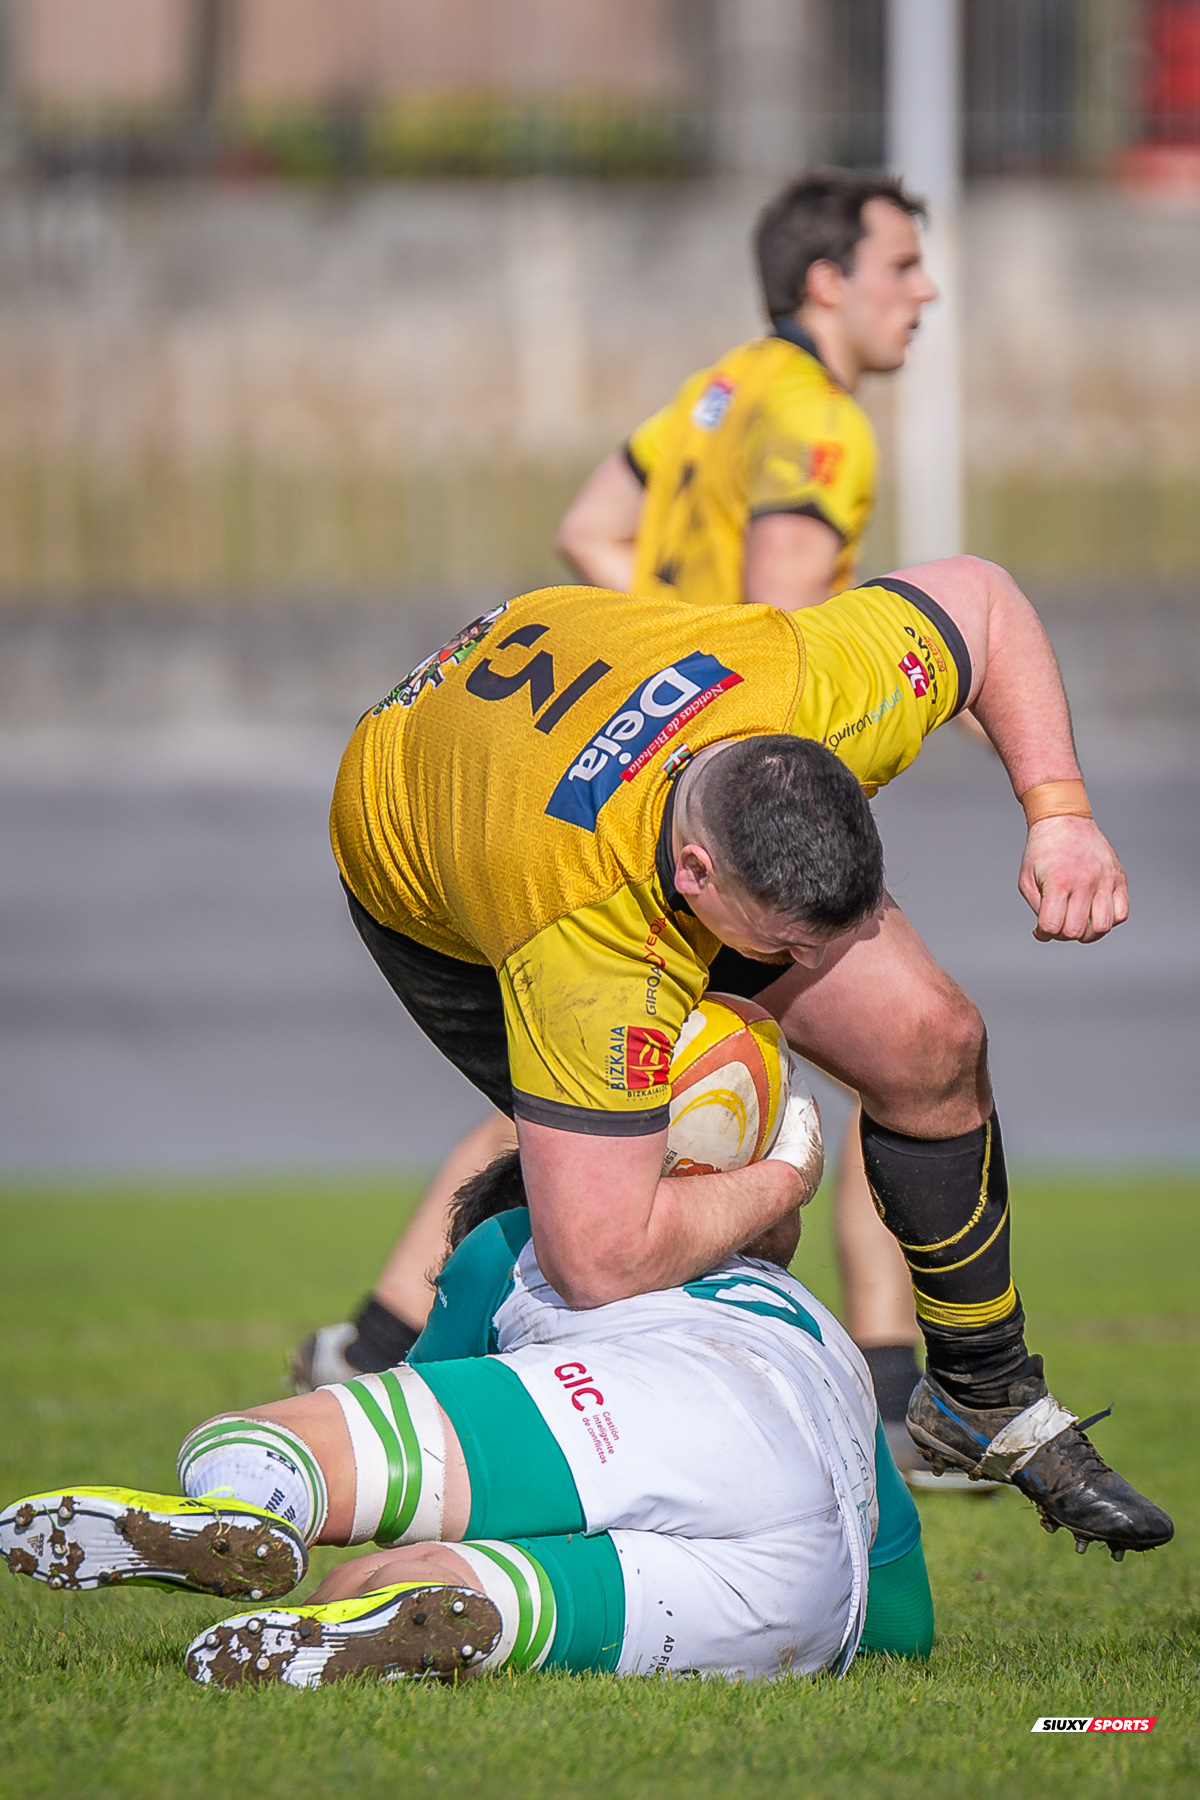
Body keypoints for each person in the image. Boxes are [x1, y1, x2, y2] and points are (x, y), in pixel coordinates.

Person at [315, 545, 1171, 1555]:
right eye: (786, 946)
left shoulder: (812, 683)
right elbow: (599, 1259)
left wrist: (1061, 813)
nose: (810, 967)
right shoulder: (582, 932)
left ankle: (985, 1392)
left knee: (930, 1040)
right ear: (696, 875)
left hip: (596, 740)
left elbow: (982, 597)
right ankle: (504, 1474)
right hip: (433, 866)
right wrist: (784, 1179)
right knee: (657, 1195)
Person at [291, 171, 943, 1479]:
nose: (924, 293)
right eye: (902, 266)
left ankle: (378, 1337)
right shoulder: (819, 420)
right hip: (731, 799)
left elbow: (590, 527)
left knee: (599, 1084)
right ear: (828, 282)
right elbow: (781, 609)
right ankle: (889, 1391)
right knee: (869, 1068)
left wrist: (643, 651)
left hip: (633, 765)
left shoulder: (720, 391)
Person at [0, 1156, 934, 1689]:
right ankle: (367, 1622)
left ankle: (249, 1500)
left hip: (669, 1404)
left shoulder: (517, 1237)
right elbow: (903, 1623)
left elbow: (429, 1399)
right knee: (410, 1593)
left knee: (272, 1443)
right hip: (808, 1603)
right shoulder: (812, 1322)